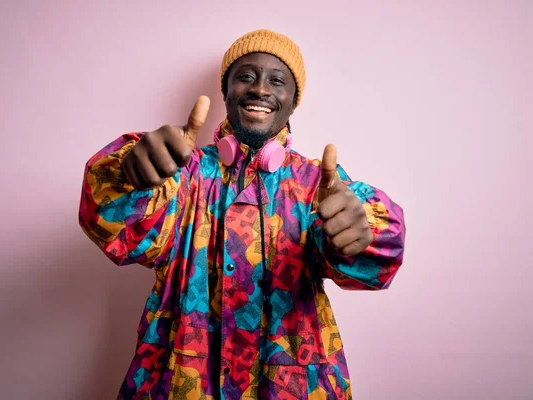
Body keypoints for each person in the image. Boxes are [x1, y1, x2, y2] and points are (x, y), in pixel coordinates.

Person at [79, 29, 406, 400]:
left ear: (293, 102)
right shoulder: (183, 173)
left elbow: (373, 256)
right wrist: (127, 176)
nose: (260, 89)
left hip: (293, 384)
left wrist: (363, 235)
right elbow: (117, 225)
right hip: (181, 379)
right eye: (246, 77)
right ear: (226, 92)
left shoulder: (318, 183)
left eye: (277, 81)